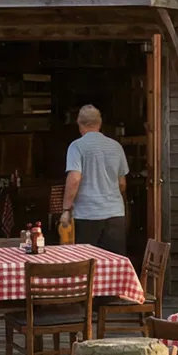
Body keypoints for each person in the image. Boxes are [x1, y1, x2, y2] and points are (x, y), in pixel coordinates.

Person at [61, 104, 129, 254]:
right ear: (100, 123)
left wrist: (66, 209)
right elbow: (122, 183)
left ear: (80, 123)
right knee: (114, 264)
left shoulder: (76, 147)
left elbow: (74, 179)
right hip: (115, 215)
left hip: (87, 215)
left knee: (87, 265)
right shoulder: (116, 147)